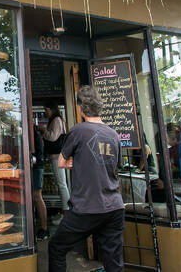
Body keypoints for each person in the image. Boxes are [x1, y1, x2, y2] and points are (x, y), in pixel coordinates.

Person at [48, 86, 124, 272]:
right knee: (113, 261)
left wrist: (78, 161)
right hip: (114, 207)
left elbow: (61, 162)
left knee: (56, 247)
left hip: (87, 208)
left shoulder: (78, 131)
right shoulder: (114, 135)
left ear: (80, 108)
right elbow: (115, 166)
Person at [37, 100, 70, 223]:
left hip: (57, 156)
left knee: (61, 184)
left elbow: (52, 137)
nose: (46, 113)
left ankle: (66, 213)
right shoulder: (58, 120)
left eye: (47, 110)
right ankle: (65, 211)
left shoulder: (56, 120)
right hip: (58, 156)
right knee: (62, 183)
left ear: (52, 109)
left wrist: (43, 131)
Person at [32, 125, 49, 240]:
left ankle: (45, 229)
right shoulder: (33, 133)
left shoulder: (33, 134)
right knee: (35, 197)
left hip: (36, 167)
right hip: (36, 166)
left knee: (37, 196)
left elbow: (36, 154)